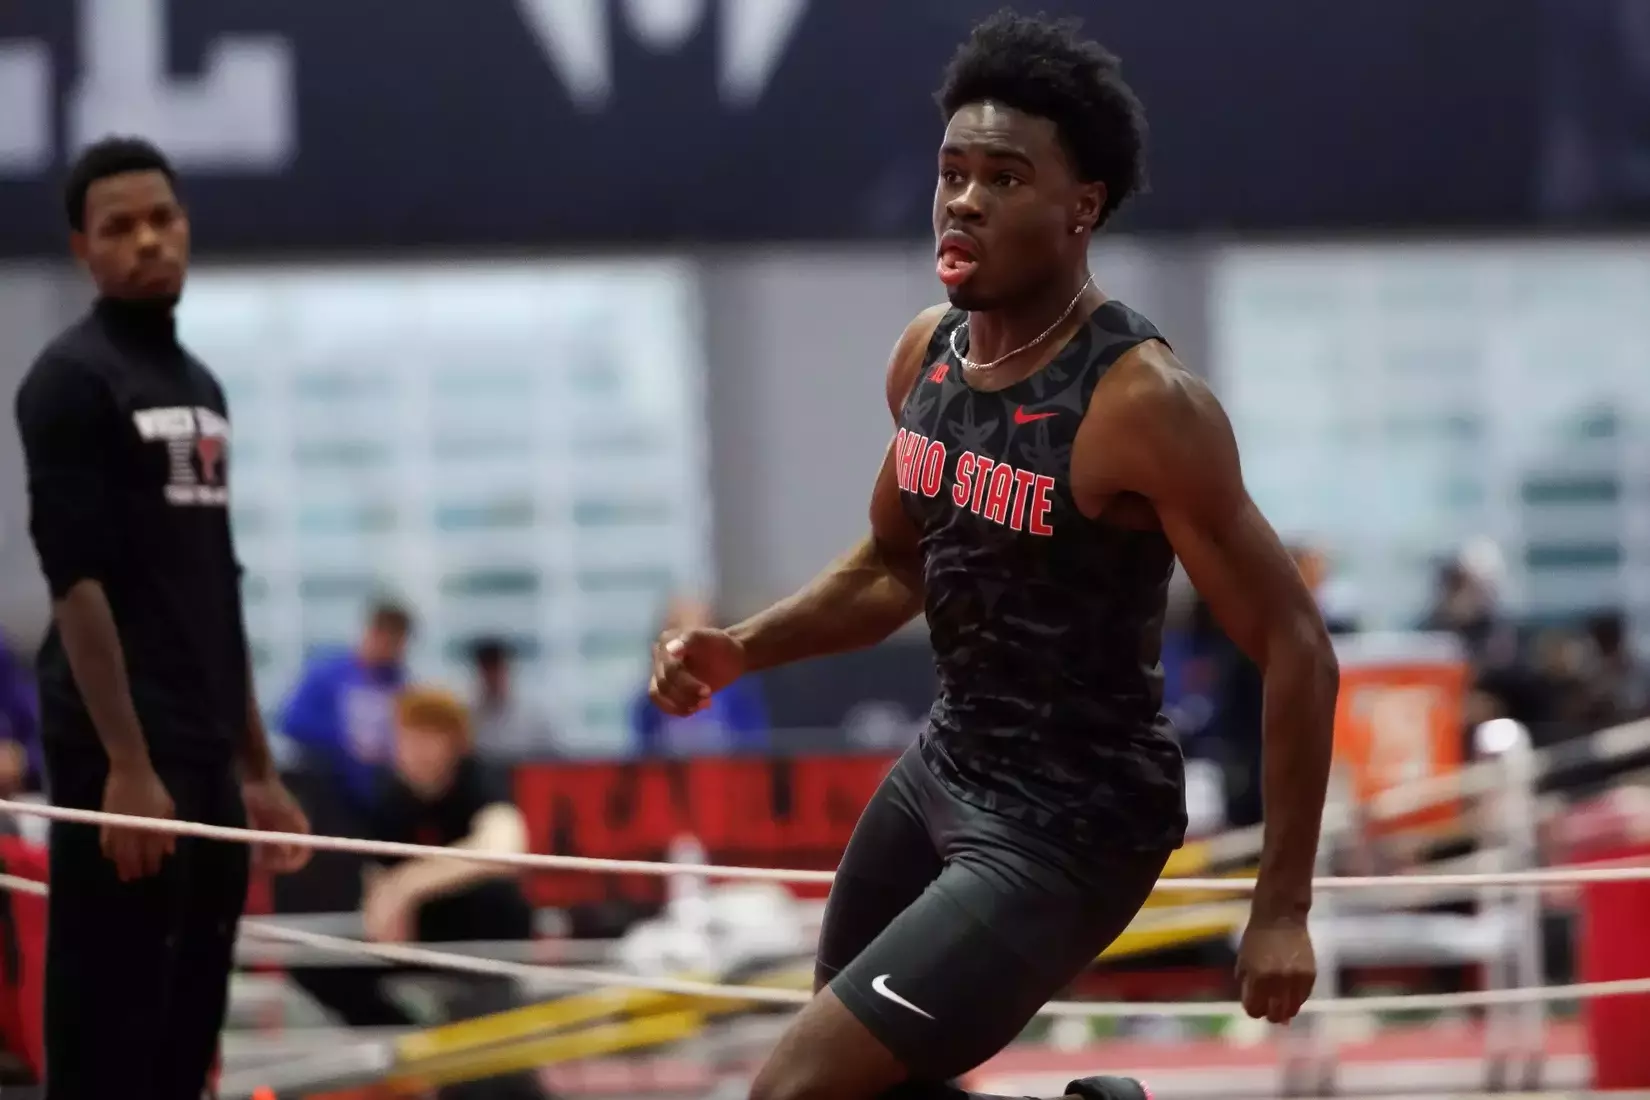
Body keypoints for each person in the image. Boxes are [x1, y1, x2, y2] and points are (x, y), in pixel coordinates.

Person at [649, 14, 1339, 1100]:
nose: (964, 200)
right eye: (953, 173)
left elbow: (1297, 644)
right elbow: (891, 566)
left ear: (1081, 207)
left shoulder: (1140, 403)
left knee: (792, 1091)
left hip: (1072, 823)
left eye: (1004, 178)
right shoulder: (926, 356)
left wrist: (1282, 905)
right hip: (944, 769)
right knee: (867, 1085)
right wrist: (743, 647)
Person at [13, 136, 312, 1100]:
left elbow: (217, 582)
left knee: (187, 1044)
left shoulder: (201, 389)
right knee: (108, 1043)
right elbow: (75, 581)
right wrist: (125, 768)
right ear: (82, 249)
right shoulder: (69, 379)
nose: (147, 240)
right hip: (121, 764)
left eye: (162, 219)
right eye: (119, 227)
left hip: (204, 754)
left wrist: (256, 766)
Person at [315, 687, 544, 1100]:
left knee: (490, 1073)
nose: (416, 748)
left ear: (456, 744)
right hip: (420, 941)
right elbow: (374, 886)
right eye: (408, 735)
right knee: (321, 965)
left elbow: (506, 847)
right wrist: (386, 900)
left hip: (485, 943)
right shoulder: (387, 796)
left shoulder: (480, 779)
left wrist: (407, 885)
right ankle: (413, 1060)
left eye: (430, 736)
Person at [279, 598, 414, 810]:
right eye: (385, 638)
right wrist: (346, 743)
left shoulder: (401, 684)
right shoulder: (327, 674)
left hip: (378, 792)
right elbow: (292, 722)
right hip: (328, 785)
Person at [631, 596, 770, 757]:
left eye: (694, 633)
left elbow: (756, 752)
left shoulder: (741, 692)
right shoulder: (650, 699)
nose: (683, 646)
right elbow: (645, 758)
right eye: (675, 631)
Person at [470, 637, 558, 760]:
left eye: (496, 670)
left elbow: (552, 762)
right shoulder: (468, 719)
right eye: (487, 671)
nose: (492, 678)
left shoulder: (533, 719)